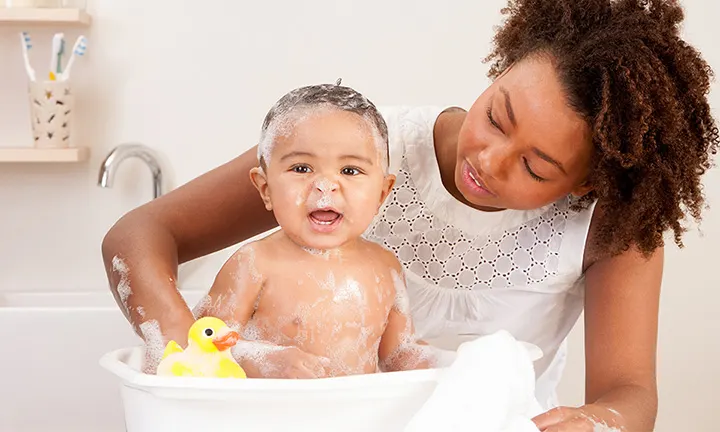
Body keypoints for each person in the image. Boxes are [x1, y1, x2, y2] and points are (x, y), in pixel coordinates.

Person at [101, 0, 718, 430]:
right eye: (497, 115)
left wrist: (596, 421)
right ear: (501, 67)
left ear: (586, 183)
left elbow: (630, 395)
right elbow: (139, 234)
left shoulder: (612, 225)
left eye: (534, 168)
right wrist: (190, 360)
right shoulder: (357, 150)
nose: (489, 160)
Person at [191, 83, 439, 378]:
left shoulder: (385, 268)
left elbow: (399, 355)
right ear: (266, 189)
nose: (325, 185)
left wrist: (458, 364)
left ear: (382, 194)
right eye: (301, 168)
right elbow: (202, 345)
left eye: (349, 171)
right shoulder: (254, 263)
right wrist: (262, 360)